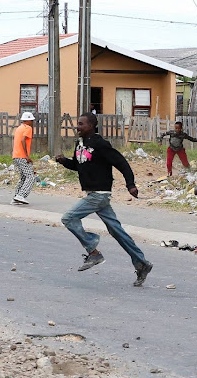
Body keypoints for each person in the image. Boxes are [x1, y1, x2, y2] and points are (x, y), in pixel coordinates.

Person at [55, 113, 153, 287]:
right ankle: (142, 263)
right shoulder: (80, 144)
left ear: (92, 125)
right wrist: (64, 161)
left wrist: (130, 184)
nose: (77, 127)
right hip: (93, 194)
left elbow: (121, 162)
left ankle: (93, 251)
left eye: (81, 124)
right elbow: (78, 166)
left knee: (68, 218)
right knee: (117, 232)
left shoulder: (100, 144)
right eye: (77, 124)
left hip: (99, 194)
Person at [11, 112, 35, 205]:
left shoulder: (19, 128)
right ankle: (21, 195)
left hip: (16, 156)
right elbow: (23, 140)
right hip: (22, 156)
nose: (32, 122)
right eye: (31, 120)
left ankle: (16, 197)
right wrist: (27, 156)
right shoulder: (28, 128)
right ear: (28, 120)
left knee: (23, 177)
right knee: (30, 177)